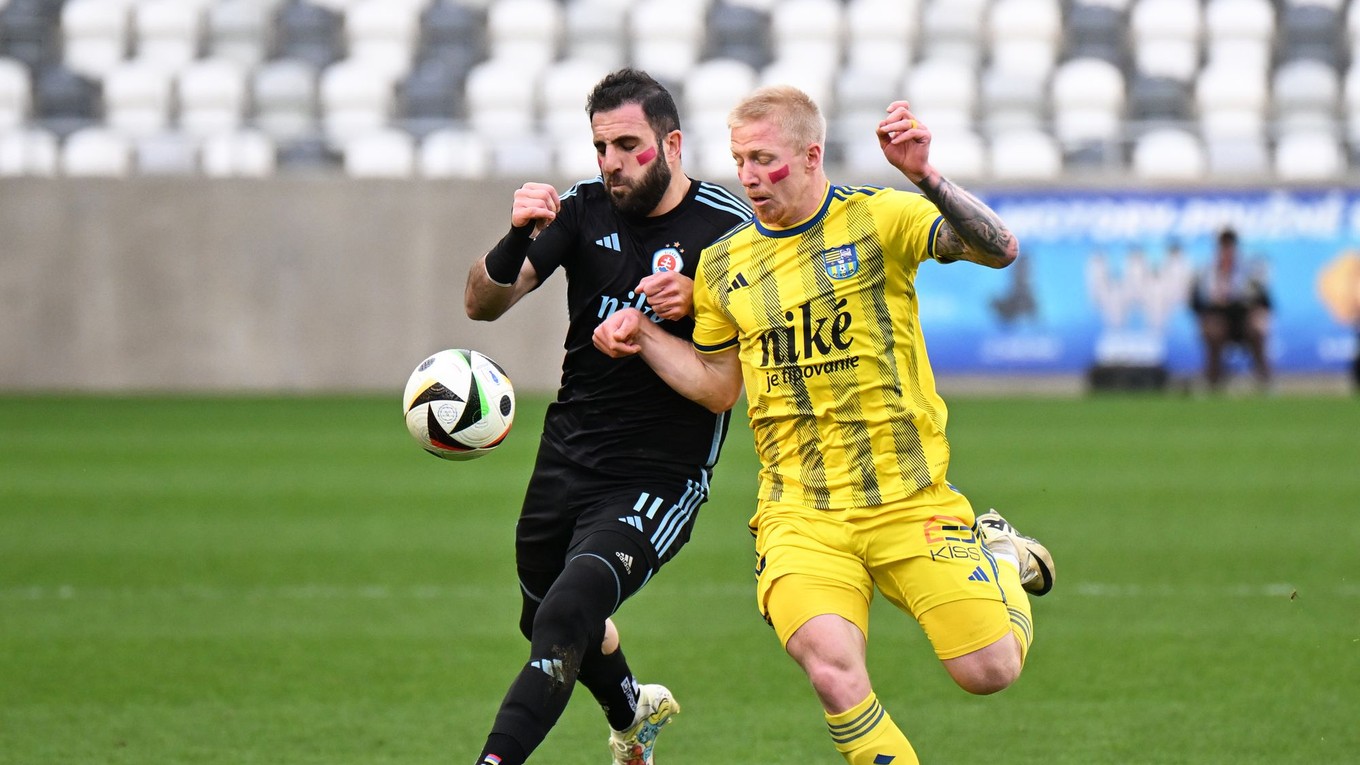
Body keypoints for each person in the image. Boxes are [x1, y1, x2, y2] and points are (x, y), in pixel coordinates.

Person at [593, 86, 1055, 765]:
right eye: (739, 160)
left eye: (764, 159)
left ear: (812, 155)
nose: (749, 176)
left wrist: (925, 176)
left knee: (989, 670)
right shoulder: (723, 265)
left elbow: (1001, 248)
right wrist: (645, 337)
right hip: (799, 515)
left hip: (907, 498)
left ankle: (1002, 555)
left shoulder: (879, 217)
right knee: (834, 672)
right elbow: (718, 386)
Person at [461, 68, 750, 765]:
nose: (611, 162)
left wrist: (692, 306)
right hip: (567, 456)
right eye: (600, 147)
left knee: (566, 614)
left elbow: (721, 392)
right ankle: (632, 713)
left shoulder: (728, 232)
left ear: (671, 144)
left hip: (658, 477)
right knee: (543, 618)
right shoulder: (582, 208)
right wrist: (514, 237)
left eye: (628, 145)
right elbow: (481, 304)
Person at [1189, 227, 1272, 391]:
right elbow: (1195, 302)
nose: (1227, 249)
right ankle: (1213, 380)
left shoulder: (1250, 270)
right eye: (1223, 245)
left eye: (1230, 245)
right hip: (1218, 317)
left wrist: (1256, 310)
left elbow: (1265, 301)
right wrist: (1205, 314)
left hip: (1243, 316)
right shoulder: (1206, 271)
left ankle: (1264, 379)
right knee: (1213, 330)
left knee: (1256, 329)